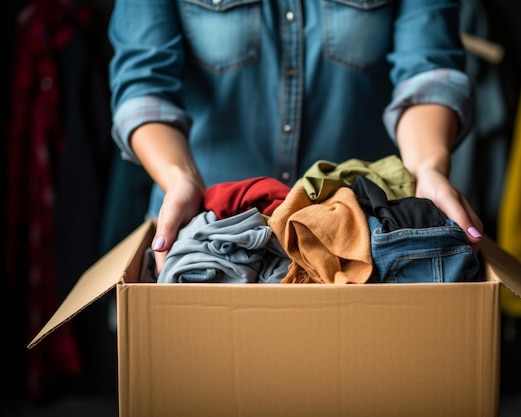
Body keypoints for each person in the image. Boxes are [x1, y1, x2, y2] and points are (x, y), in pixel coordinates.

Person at [108, 0, 483, 273]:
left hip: (366, 244)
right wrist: (180, 180)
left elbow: (428, 72)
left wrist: (428, 168)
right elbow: (145, 87)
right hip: (204, 232)